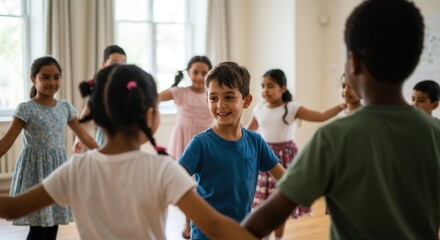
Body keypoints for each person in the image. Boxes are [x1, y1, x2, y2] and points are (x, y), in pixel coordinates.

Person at [242, 0, 440, 239]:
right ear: (414, 61)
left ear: (353, 61)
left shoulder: (333, 138)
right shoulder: (435, 133)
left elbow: (262, 221)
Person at [0, 64, 258, 240]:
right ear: (149, 114)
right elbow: (213, 224)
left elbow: (11, 209)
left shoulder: (78, 168)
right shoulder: (161, 169)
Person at [178, 61, 286, 240]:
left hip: (241, 232)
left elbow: (285, 178)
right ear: (207, 100)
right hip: (206, 235)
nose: (220, 105)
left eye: (229, 97)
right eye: (213, 98)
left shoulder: (255, 141)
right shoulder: (200, 144)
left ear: (246, 100)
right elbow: (175, 181)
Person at [0, 56, 99, 240]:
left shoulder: (65, 107)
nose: (52, 82)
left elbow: (83, 135)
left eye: (56, 77)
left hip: (57, 170)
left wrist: (103, 153)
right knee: (38, 229)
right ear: (33, 79)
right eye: (45, 77)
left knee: (53, 226)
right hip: (34, 172)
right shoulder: (26, 109)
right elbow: (6, 142)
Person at [246, 68, 345, 240]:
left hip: (285, 160)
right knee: (263, 202)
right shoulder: (259, 109)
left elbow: (320, 116)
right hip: (264, 158)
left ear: (282, 88)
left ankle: (279, 237)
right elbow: (248, 132)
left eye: (270, 86)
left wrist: (341, 106)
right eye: (262, 86)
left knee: (281, 202)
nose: (265, 90)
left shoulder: (291, 108)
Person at [159, 55, 213, 239]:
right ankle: (187, 221)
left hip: (206, 142)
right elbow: (154, 98)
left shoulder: (211, 93)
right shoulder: (179, 92)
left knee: (203, 183)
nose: (199, 76)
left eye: (204, 73)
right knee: (185, 184)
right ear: (188, 72)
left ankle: (202, 219)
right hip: (182, 141)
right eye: (195, 72)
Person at [72, 44, 127, 153]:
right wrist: (78, 138)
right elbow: (85, 115)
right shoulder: (99, 89)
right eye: (114, 63)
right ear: (103, 64)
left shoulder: (129, 87)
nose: (118, 67)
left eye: (123, 63)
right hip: (105, 140)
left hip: (127, 139)